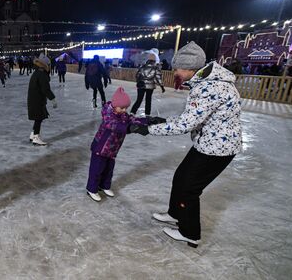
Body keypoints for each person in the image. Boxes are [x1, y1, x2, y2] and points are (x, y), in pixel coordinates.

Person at [130, 41, 242, 248]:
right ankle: (175, 213)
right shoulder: (207, 81)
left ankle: (190, 233)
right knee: (181, 177)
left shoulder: (209, 87)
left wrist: (149, 129)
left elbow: (186, 124)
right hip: (208, 141)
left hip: (217, 148)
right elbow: (194, 116)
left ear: (190, 68)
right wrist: (163, 121)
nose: (175, 72)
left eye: (177, 68)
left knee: (188, 189)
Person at [86, 87, 164, 201]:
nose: (124, 110)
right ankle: (92, 189)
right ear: (114, 104)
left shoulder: (122, 114)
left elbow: (132, 119)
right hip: (101, 148)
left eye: (126, 108)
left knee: (109, 170)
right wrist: (130, 128)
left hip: (112, 149)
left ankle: (104, 186)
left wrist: (148, 120)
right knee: (96, 169)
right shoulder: (108, 114)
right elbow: (113, 125)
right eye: (122, 107)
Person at [27, 54, 57, 146]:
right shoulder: (41, 74)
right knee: (39, 118)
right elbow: (45, 89)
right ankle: (36, 136)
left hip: (34, 99)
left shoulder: (37, 72)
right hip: (37, 100)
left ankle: (33, 134)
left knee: (38, 118)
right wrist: (53, 99)